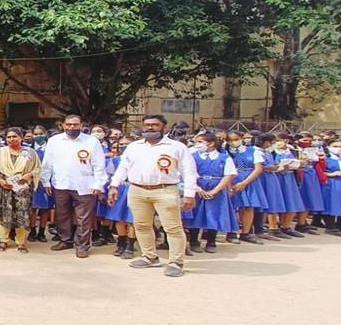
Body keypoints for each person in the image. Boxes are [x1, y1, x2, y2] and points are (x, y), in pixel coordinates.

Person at [107, 115, 197, 278]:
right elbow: (123, 167)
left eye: (155, 125)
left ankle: (176, 261)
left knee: (173, 227)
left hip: (165, 190)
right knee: (141, 225)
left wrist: (190, 194)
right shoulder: (134, 146)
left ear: (163, 126)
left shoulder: (176, 147)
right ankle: (149, 256)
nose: (150, 128)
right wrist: (114, 185)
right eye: (147, 125)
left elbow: (189, 171)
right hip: (137, 190)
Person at [40, 115, 107, 258]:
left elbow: (99, 164)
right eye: (69, 124)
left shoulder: (91, 141)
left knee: (84, 217)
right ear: (63, 125)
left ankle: (82, 245)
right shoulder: (54, 141)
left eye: (75, 125)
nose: (71, 127)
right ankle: (65, 240)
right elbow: (47, 164)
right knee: (62, 214)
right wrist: (45, 181)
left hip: (85, 185)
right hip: (61, 183)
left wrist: (98, 184)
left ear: (81, 125)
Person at [182, 132, 238, 254]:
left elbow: (229, 175)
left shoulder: (224, 157)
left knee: (214, 214)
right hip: (197, 187)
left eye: (200, 142)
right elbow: (187, 172)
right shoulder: (192, 156)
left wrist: (215, 191)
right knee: (195, 214)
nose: (197, 145)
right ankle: (194, 241)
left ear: (211, 143)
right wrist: (198, 189)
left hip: (216, 187)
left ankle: (211, 241)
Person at [0, 128, 41, 252]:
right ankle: (3, 241)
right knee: (3, 213)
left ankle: (21, 242)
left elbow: (37, 168)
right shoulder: (0, 152)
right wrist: (0, 181)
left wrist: (29, 175)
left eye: (14, 136)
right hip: (4, 188)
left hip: (22, 188)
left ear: (21, 137)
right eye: (9, 137)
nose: (11, 139)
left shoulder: (29, 152)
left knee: (21, 214)